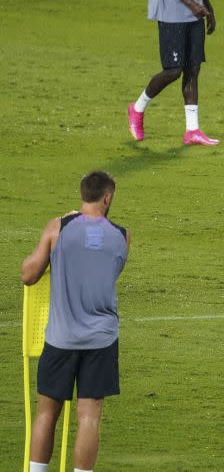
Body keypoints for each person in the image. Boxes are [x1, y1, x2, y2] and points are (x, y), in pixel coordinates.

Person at [21, 171, 130, 472]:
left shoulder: (59, 228)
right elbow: (107, 272)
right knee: (89, 417)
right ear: (107, 197)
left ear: (82, 195)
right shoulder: (123, 236)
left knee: (46, 413)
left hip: (61, 337)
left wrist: (55, 235)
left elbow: (28, 275)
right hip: (101, 340)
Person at [126, 0, 219, 146]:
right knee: (173, 71)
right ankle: (137, 108)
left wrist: (207, 6)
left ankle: (192, 130)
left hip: (194, 10)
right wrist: (193, 4)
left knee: (193, 69)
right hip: (171, 12)